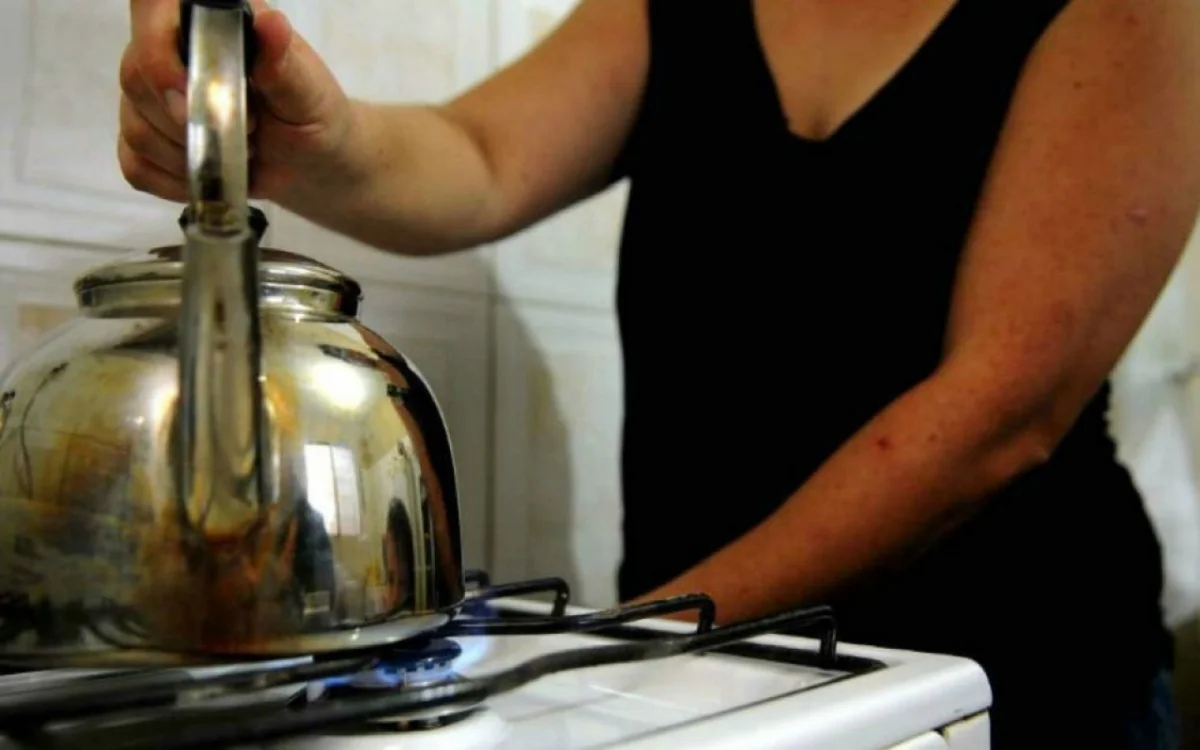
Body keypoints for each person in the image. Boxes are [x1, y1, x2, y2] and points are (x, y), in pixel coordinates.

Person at [118, 0, 1200, 745]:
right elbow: (481, 159)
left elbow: (998, 412)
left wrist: (638, 636)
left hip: (1024, 682)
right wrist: (311, 138)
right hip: (712, 681)